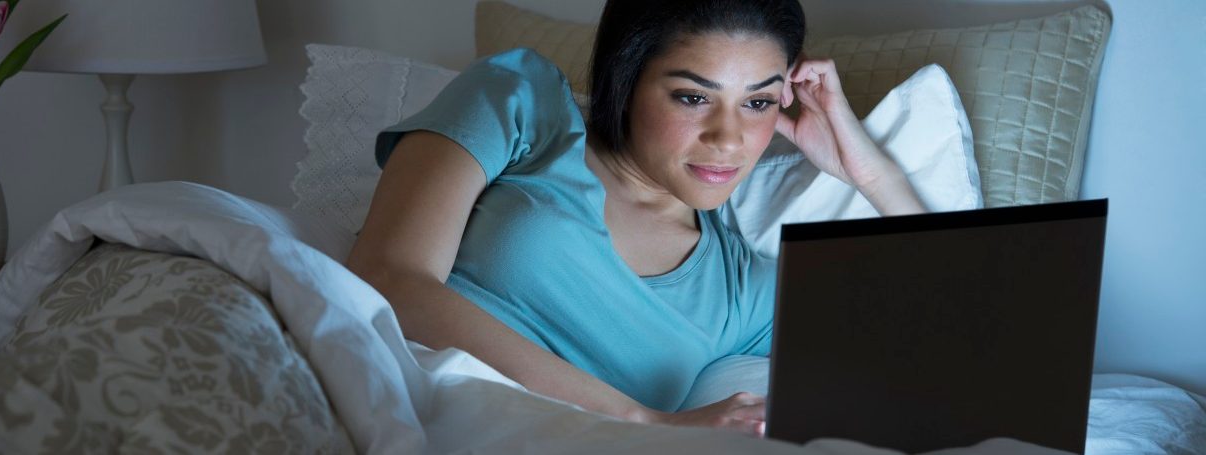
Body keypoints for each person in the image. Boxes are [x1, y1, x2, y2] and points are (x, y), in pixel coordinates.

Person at [346, 0, 925, 437]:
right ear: (627, 81)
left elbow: (938, 317)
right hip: (365, 396)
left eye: (758, 102)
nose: (729, 139)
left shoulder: (742, 293)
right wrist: (643, 421)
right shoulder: (523, 102)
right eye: (692, 97)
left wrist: (870, 174)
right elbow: (388, 275)